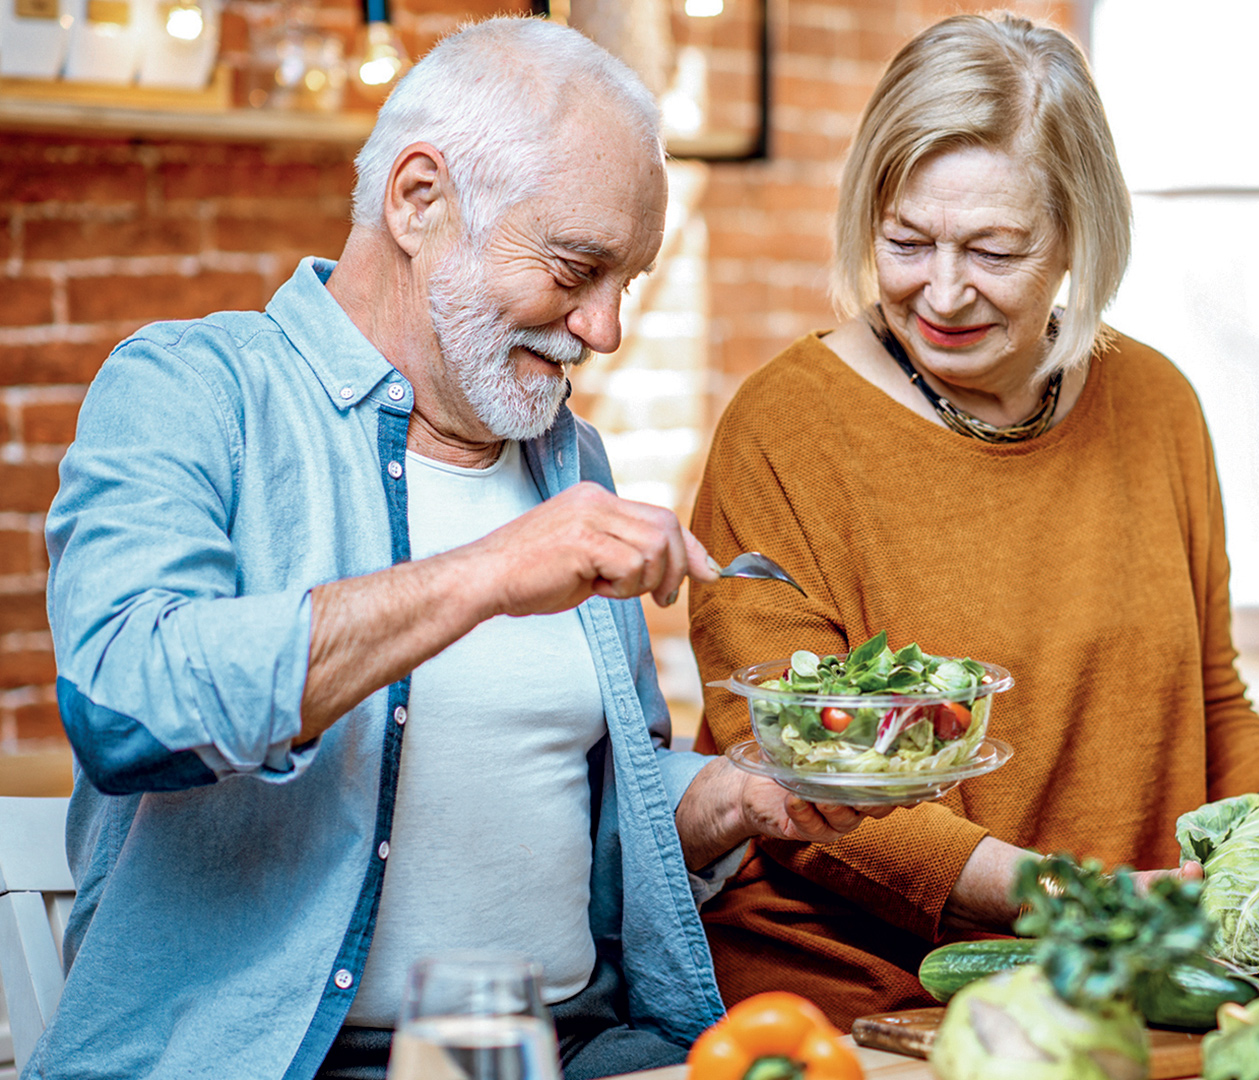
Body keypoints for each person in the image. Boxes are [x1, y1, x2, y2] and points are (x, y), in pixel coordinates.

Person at [37, 18, 882, 1080]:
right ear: (418, 199)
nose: (605, 329)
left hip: (576, 1050)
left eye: (627, 282)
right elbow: (125, 707)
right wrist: (487, 573)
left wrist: (741, 798)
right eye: (576, 267)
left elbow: (579, 823)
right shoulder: (192, 391)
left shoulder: (568, 460)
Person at [686, 13, 1259, 1026]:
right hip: (866, 1002)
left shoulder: (1156, 404)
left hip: (1123, 986)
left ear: (1078, 235)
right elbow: (792, 778)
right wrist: (1069, 898)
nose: (943, 292)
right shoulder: (784, 429)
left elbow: (1211, 703)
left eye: (995, 250)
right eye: (906, 241)